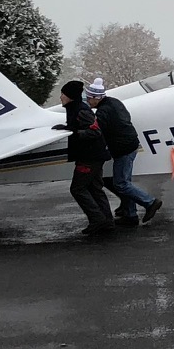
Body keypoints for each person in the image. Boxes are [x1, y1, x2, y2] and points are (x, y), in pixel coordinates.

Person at [85, 76, 162, 226]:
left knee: (121, 183)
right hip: (130, 144)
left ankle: (150, 202)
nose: (88, 101)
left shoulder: (102, 112)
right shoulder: (115, 102)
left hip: (123, 149)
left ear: (96, 98)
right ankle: (130, 214)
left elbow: (98, 132)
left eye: (89, 98)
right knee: (122, 181)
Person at [55, 79, 113, 234]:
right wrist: (68, 128)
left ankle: (97, 219)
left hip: (89, 157)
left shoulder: (81, 111)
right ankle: (107, 221)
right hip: (95, 155)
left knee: (77, 188)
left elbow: (94, 131)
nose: (60, 97)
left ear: (70, 96)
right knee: (95, 188)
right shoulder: (76, 108)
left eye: (63, 94)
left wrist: (75, 133)